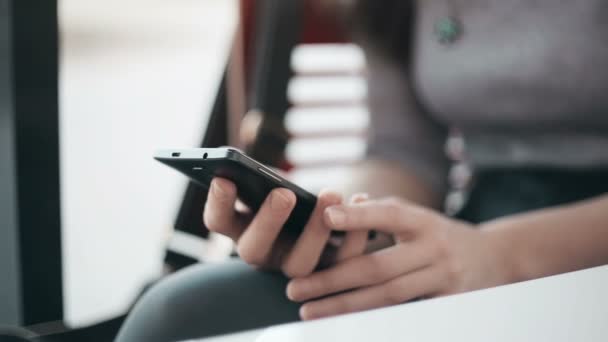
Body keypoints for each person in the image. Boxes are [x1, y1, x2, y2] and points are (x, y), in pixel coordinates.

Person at [117, 1, 608, 341]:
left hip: (574, 248)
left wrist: (501, 258)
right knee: (183, 313)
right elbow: (403, 153)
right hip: (475, 232)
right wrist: (343, 220)